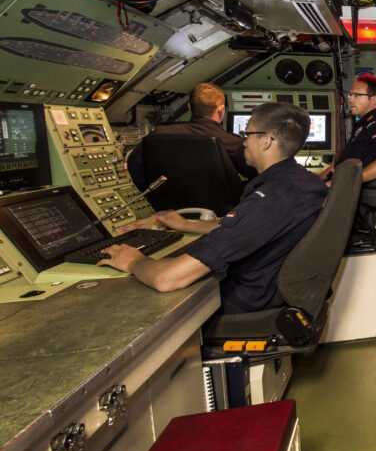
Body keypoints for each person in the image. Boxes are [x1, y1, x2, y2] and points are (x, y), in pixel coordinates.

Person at [100, 102, 329, 315]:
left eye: (247, 134)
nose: (244, 142)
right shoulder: (302, 182)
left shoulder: (269, 199)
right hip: (271, 291)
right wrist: (185, 224)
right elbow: (243, 226)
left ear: (267, 141)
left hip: (243, 302)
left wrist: (134, 261)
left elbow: (167, 279)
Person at [127, 82, 256, 189]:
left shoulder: (158, 134)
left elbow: (133, 166)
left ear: (189, 106)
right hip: (218, 214)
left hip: (166, 211)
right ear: (221, 109)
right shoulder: (233, 143)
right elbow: (257, 175)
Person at [322, 74, 376, 183]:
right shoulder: (364, 125)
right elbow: (339, 166)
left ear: (373, 99)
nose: (350, 99)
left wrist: (342, 184)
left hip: (350, 191)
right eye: (351, 95)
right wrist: (315, 181)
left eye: (356, 95)